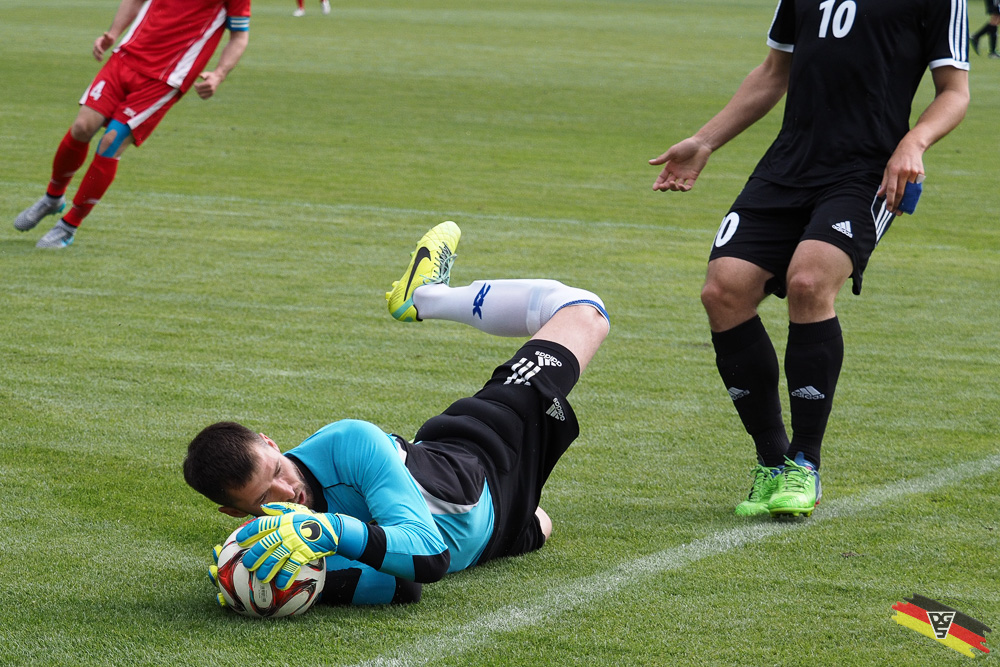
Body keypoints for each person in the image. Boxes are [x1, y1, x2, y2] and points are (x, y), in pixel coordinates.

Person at [649, 1, 969, 518]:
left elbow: (955, 90)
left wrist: (914, 142)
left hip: (867, 169)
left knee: (809, 281)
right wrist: (705, 140)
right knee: (723, 290)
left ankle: (806, 464)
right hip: (788, 163)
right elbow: (774, 71)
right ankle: (772, 462)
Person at [184, 221, 610, 605]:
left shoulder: (348, 442)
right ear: (236, 513)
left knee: (584, 312)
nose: (286, 492)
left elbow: (431, 556)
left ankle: (426, 297)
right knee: (540, 522)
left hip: (484, 451)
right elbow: (406, 585)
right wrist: (287, 585)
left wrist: (330, 532)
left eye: (277, 470)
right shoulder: (269, 540)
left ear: (270, 443)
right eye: (263, 498)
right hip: (497, 531)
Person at [13, 0, 251, 249]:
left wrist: (219, 75)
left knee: (111, 142)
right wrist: (113, 33)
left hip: (165, 78)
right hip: (125, 58)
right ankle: (52, 198)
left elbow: (239, 36)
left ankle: (69, 225)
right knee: (82, 127)